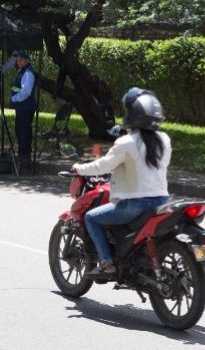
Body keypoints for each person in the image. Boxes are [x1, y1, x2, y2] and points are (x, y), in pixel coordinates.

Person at [72, 88, 172, 275]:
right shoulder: (164, 140)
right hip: (162, 203)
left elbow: (103, 166)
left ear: (131, 114)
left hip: (133, 206)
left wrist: (79, 168)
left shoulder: (126, 142)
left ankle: (107, 262)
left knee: (91, 217)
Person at [2, 50, 36, 162]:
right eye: (17, 60)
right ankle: (22, 153)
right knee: (20, 130)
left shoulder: (28, 73)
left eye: (21, 60)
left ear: (27, 60)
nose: (18, 62)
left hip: (25, 107)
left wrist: (14, 99)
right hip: (22, 107)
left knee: (24, 130)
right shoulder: (23, 71)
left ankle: (24, 155)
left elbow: (26, 92)